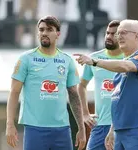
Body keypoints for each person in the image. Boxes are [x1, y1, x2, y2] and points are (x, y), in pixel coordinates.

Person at [74, 19, 138, 150]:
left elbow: (125, 66)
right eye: (118, 33)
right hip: (119, 128)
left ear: (137, 36)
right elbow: (119, 103)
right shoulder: (119, 70)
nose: (119, 36)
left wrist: (95, 62)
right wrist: (112, 130)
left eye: (123, 33)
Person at [6, 16, 86, 150]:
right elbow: (14, 92)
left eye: (49, 30)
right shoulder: (26, 59)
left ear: (58, 34)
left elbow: (74, 95)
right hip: (34, 129)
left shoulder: (67, 61)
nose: (44, 33)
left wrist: (81, 128)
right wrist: (10, 124)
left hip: (62, 129)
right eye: (41, 30)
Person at [78, 20, 124, 150]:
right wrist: (85, 114)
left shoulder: (129, 59)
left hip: (121, 127)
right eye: (107, 33)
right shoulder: (94, 58)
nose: (109, 36)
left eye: (113, 34)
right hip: (99, 125)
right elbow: (81, 85)